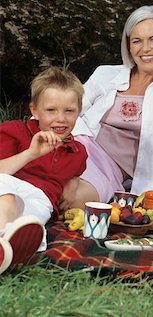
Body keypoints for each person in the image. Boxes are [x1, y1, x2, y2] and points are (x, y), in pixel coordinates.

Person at [59, 5, 153, 210]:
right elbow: (68, 111)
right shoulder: (105, 74)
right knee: (33, 180)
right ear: (128, 45)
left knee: (72, 201)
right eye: (137, 41)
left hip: (110, 169)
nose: (145, 48)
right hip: (78, 148)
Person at [0, 67, 87, 274]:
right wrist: (31, 153)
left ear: (79, 111)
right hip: (8, 184)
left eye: (69, 111)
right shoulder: (15, 131)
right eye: (51, 110)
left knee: (30, 226)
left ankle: (10, 248)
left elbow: (76, 172)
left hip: (41, 199)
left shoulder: (77, 151)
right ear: (34, 110)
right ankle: (5, 242)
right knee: (8, 199)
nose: (61, 119)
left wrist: (72, 184)